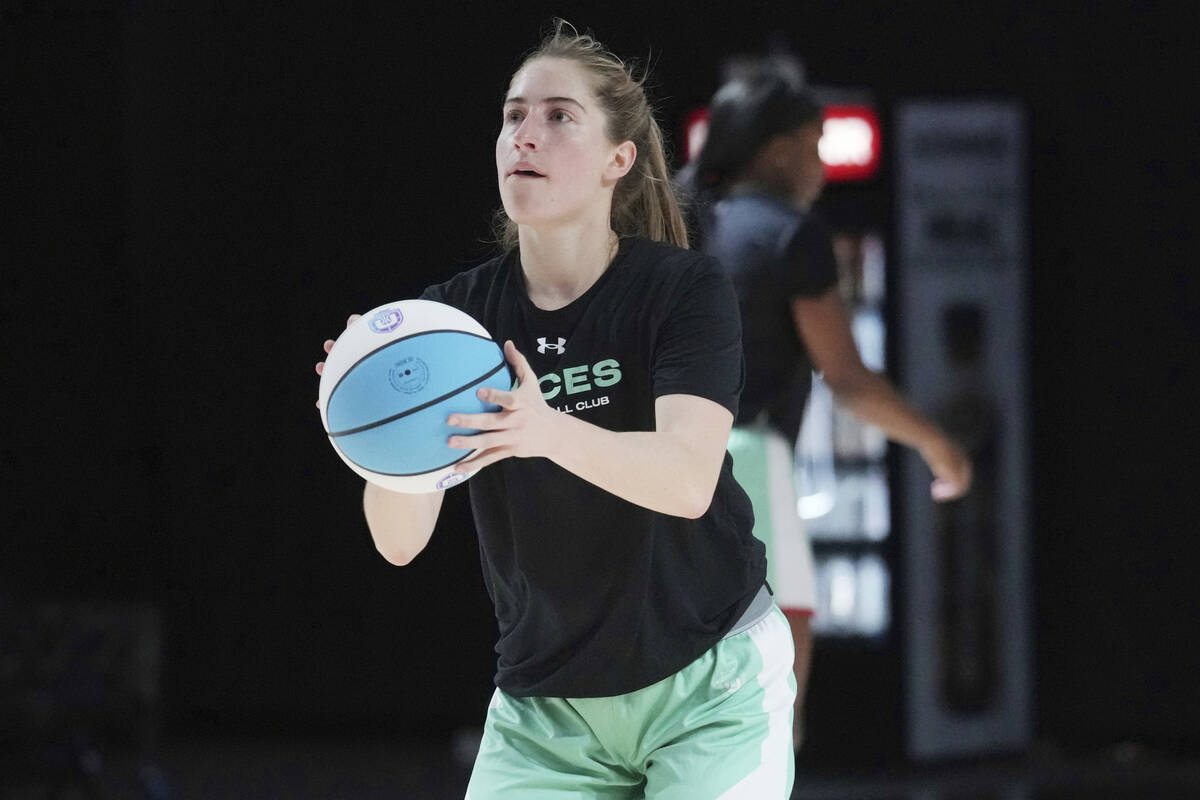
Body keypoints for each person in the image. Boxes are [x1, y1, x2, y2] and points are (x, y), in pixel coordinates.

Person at [316, 21, 795, 799]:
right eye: (513, 116)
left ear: (618, 160)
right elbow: (398, 545)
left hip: (709, 683)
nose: (524, 135)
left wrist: (543, 429)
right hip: (547, 711)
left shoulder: (680, 289)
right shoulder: (454, 321)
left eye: (558, 116)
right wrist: (377, 419)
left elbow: (686, 481)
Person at [677, 70, 973, 750]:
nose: (821, 165)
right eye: (815, 145)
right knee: (769, 704)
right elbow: (849, 381)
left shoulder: (678, 223)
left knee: (675, 700)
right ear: (780, 151)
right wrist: (940, 446)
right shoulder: (789, 234)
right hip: (745, 465)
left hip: (651, 465)